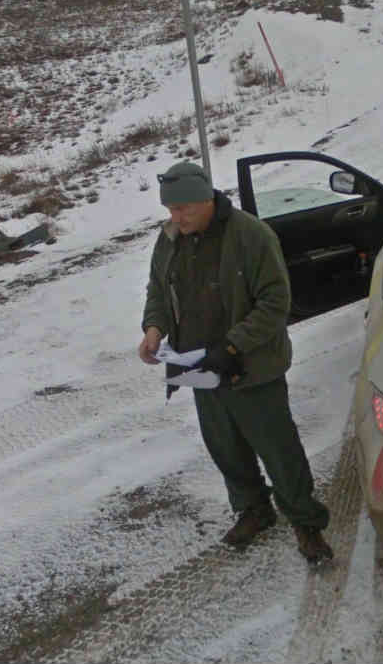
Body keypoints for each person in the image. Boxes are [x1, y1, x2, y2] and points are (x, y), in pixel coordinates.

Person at [138, 160, 334, 563]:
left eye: (183, 209)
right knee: (224, 445)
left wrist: (230, 348)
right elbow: (158, 289)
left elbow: (275, 303)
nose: (176, 218)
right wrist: (154, 329)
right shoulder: (171, 237)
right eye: (171, 211)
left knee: (277, 447)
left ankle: (306, 523)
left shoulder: (251, 236)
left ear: (206, 199)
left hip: (250, 364)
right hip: (196, 362)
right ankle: (253, 509)